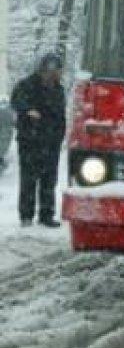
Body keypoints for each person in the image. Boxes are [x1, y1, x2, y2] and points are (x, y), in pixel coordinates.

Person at [11, 54, 66, 228]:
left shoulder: (59, 90)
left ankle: (46, 214)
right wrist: (29, 111)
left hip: (51, 142)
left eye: (57, 71)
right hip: (30, 140)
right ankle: (26, 215)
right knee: (29, 179)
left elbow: (60, 115)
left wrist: (60, 136)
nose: (53, 75)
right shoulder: (26, 85)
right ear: (42, 70)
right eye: (50, 71)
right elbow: (16, 101)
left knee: (49, 179)